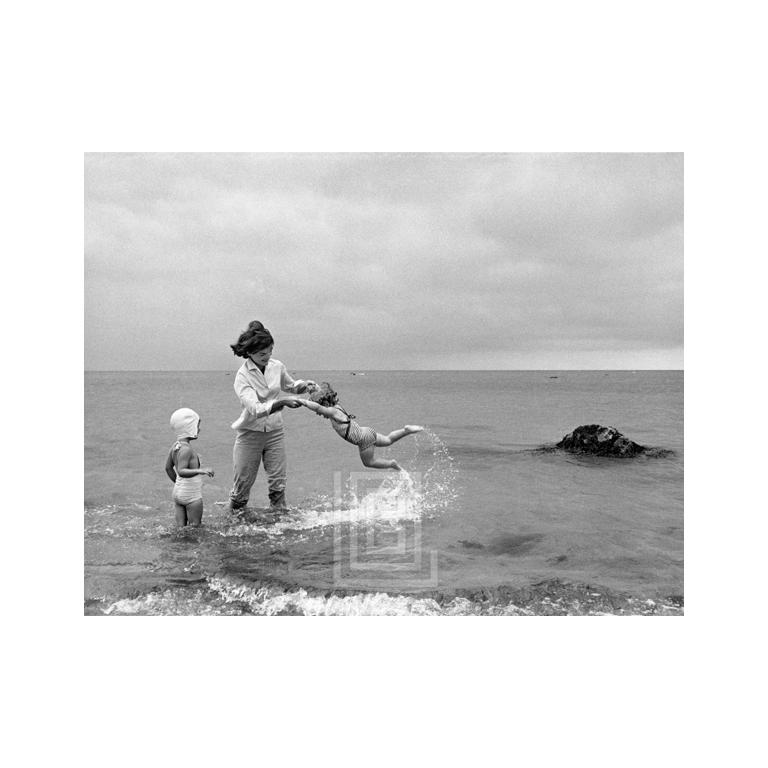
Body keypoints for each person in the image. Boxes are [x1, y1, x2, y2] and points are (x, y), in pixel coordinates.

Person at [226, 320, 316, 513]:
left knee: (278, 485)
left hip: (275, 431)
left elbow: (291, 386)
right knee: (241, 489)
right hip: (250, 434)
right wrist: (282, 402)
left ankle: (279, 524)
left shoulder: (277, 366)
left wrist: (307, 385)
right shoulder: (242, 376)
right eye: (262, 353)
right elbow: (256, 410)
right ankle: (231, 526)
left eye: (270, 351)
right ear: (249, 353)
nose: (267, 356)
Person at [297, 382, 423, 470]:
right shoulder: (337, 407)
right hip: (366, 431)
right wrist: (314, 389)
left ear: (324, 404)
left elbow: (318, 407)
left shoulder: (333, 412)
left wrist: (302, 402)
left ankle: (391, 464)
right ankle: (406, 430)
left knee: (369, 462)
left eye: (319, 412)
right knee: (388, 440)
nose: (319, 414)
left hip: (363, 439)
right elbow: (323, 398)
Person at [165, 408, 214, 527]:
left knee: (181, 528)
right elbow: (181, 471)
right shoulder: (186, 449)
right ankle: (192, 546)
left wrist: (178, 485)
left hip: (177, 493)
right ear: (188, 427)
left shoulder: (175, 446)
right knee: (195, 526)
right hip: (191, 495)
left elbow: (168, 468)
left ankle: (180, 545)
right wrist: (201, 470)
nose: (199, 429)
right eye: (197, 426)